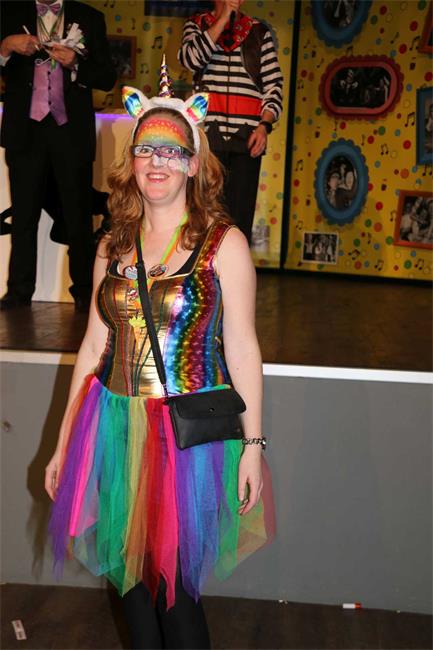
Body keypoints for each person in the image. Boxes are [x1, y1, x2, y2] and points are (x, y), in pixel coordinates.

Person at [45, 70, 273, 650]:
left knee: (175, 593)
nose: (158, 162)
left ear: (194, 165)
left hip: (184, 441)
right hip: (115, 426)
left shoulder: (224, 244)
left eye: (172, 151)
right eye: (147, 148)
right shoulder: (112, 244)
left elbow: (242, 347)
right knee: (130, 584)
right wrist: (65, 443)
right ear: (132, 160)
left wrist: (253, 446)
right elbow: (93, 347)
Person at [0, 0, 116, 311]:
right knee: (24, 216)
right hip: (25, 131)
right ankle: (18, 291)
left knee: (78, 216)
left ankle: (84, 292)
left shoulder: (90, 17)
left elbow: (108, 76)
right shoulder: (7, 12)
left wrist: (76, 64)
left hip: (71, 133)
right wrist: (6, 47)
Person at [178, 0, 283, 243]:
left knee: (239, 220)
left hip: (247, 137)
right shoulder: (196, 25)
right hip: (208, 138)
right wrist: (224, 18)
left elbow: (274, 86)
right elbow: (190, 60)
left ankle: (236, 265)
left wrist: (264, 126)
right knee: (205, 214)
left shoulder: (259, 32)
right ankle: (204, 266)